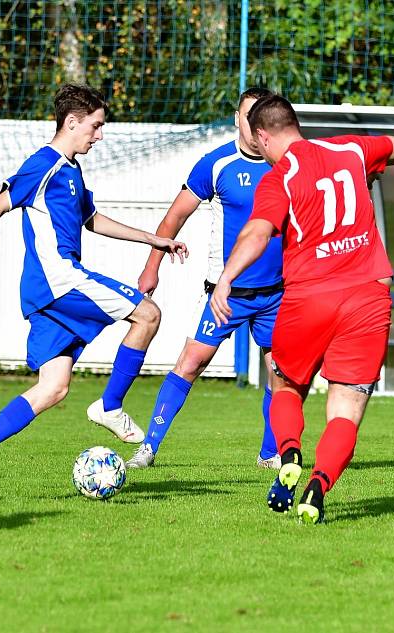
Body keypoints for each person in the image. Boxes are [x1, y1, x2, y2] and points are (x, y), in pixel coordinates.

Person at [0, 83, 188, 500]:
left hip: (49, 294)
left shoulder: (71, 170)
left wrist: (153, 239)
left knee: (53, 388)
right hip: (59, 280)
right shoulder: (44, 165)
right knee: (148, 314)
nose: (99, 135)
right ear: (71, 122)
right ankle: (109, 405)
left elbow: (91, 219)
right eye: (95, 126)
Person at [210, 94, 394, 524]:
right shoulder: (350, 149)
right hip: (368, 296)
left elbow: (259, 233)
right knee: (347, 406)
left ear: (262, 136)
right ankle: (318, 486)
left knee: (284, 385)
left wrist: (226, 278)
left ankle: (289, 452)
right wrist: (372, 172)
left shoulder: (279, 177)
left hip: (308, 299)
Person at [128, 87, 283, 470]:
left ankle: (271, 454)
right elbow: (173, 218)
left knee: (279, 373)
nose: (254, 126)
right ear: (237, 119)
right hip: (224, 295)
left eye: (261, 118)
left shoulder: (286, 164)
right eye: (249, 117)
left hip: (277, 294)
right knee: (191, 363)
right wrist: (152, 266)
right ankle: (148, 448)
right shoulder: (216, 164)